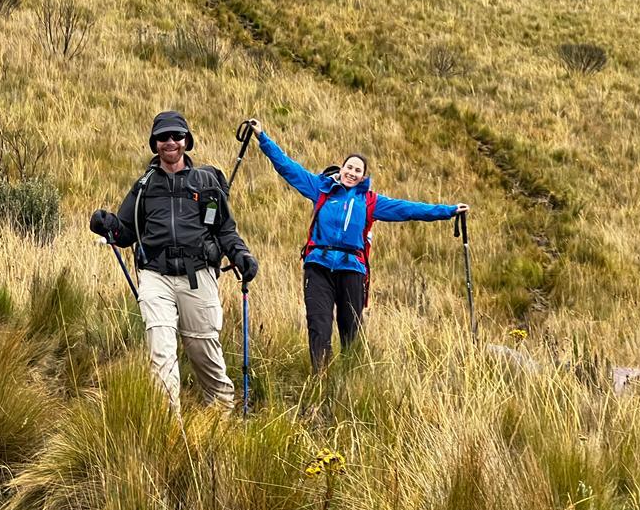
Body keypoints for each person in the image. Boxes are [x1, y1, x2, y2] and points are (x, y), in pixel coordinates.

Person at [248, 119, 468, 370]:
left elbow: (409, 209)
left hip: (352, 269)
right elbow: (287, 167)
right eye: (349, 168)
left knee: (350, 328)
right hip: (318, 265)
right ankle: (322, 378)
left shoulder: (371, 201)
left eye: (357, 171)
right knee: (318, 324)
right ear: (341, 169)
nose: (352, 173)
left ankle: (350, 378)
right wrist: (262, 137)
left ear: (363, 176)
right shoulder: (321, 189)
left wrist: (448, 211)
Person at [90, 111, 258, 415]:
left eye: (177, 136)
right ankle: (169, 425)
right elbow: (126, 232)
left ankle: (223, 414)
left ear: (187, 141)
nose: (171, 142)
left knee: (203, 350)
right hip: (156, 276)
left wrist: (240, 255)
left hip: (199, 275)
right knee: (161, 350)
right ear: (154, 144)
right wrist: (108, 224)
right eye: (163, 137)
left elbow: (224, 229)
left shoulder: (206, 183)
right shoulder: (143, 187)